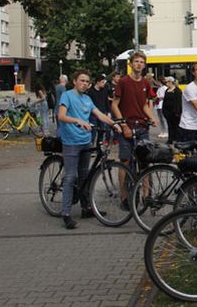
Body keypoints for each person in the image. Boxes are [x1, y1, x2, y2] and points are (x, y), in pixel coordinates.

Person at [57, 70, 120, 229]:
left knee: (85, 176)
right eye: (82, 80)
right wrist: (78, 120)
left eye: (87, 81)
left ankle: (86, 208)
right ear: (74, 81)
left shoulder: (87, 99)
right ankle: (66, 213)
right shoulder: (67, 96)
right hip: (71, 142)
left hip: (85, 141)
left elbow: (99, 114)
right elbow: (61, 116)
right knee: (71, 177)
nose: (84, 83)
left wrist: (115, 124)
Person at [111, 51, 157, 208]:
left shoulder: (145, 83)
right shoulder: (123, 82)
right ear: (130, 64)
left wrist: (151, 117)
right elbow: (114, 105)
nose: (139, 64)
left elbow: (144, 104)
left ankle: (146, 195)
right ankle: (124, 197)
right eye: (136, 61)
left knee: (145, 161)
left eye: (142, 62)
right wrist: (123, 125)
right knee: (125, 161)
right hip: (127, 126)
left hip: (142, 127)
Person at [87, 74, 112, 144]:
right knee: (93, 131)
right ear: (98, 82)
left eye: (104, 82)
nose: (104, 84)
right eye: (102, 82)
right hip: (93, 114)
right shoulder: (91, 92)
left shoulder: (104, 90)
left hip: (102, 113)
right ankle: (90, 146)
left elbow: (106, 101)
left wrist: (108, 112)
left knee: (101, 131)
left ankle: (99, 146)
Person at [161, 77, 182, 144]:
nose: (166, 83)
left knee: (176, 126)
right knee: (170, 126)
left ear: (171, 82)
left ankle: (177, 139)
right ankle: (170, 139)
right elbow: (165, 101)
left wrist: (177, 112)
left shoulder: (177, 91)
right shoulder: (167, 90)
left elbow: (179, 102)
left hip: (175, 113)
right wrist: (163, 110)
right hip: (167, 112)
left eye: (167, 82)